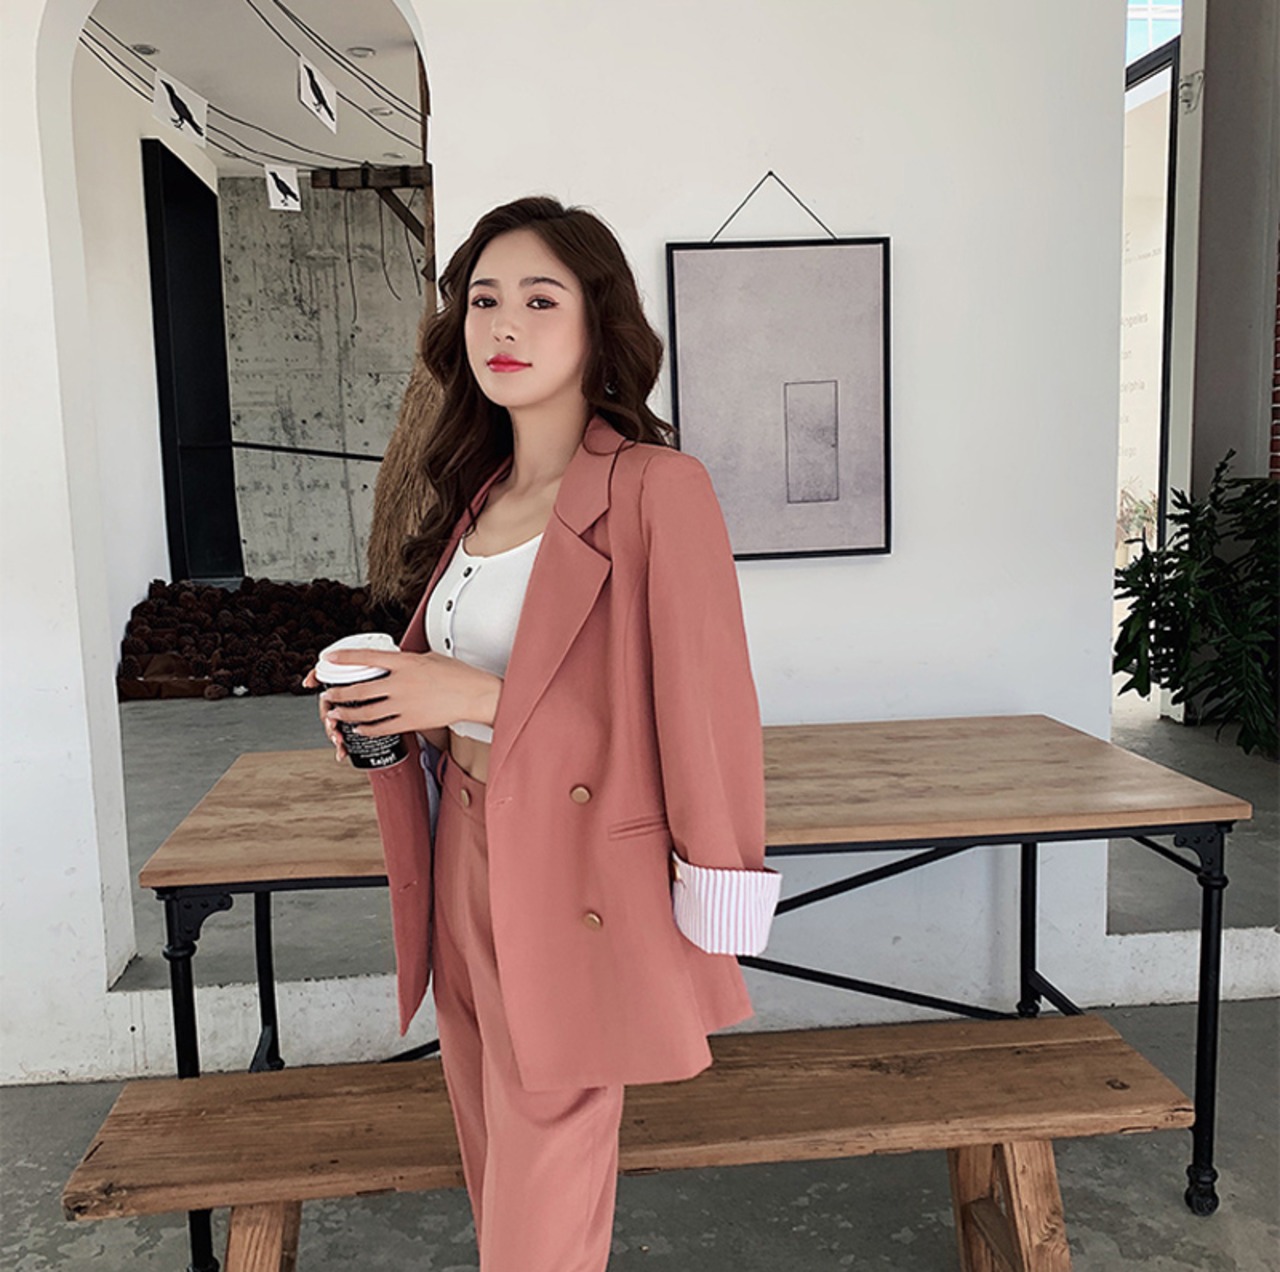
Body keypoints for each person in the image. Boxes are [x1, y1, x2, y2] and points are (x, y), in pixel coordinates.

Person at [305, 195, 781, 1272]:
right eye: (482, 301)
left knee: (542, 1182)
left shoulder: (656, 489)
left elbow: (695, 709)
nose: (504, 326)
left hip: (574, 870)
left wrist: (466, 696)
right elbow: (471, 700)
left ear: (596, 323)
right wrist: (393, 711)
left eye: (538, 299)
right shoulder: (477, 499)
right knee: (495, 1157)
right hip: (463, 848)